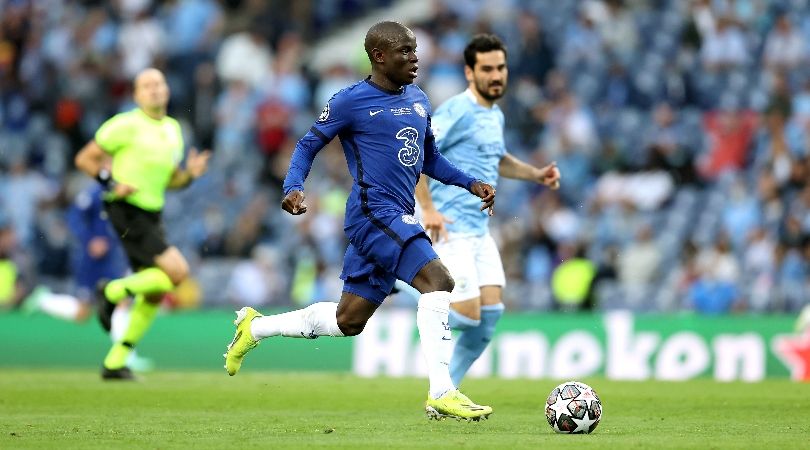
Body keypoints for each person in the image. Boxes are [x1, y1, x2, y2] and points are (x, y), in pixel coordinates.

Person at [224, 21, 496, 421]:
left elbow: (429, 158)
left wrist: (470, 182)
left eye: (415, 50)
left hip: (394, 214)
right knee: (439, 281)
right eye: (404, 51)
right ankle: (443, 390)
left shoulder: (419, 99)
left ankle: (255, 327)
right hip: (374, 213)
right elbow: (308, 143)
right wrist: (293, 185)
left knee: (348, 320)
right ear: (379, 57)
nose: (415, 58)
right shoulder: (351, 100)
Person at [414, 34, 560, 387]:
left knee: (490, 315)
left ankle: (445, 392)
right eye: (488, 69)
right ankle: (406, 283)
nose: (497, 76)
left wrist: (535, 175)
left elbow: (497, 159)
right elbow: (418, 154)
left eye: (501, 68)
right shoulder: (457, 110)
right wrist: (428, 208)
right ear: (469, 72)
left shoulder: (493, 115)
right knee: (468, 313)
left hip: (479, 229)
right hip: (447, 225)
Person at [75, 68, 211, 380]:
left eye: (158, 84)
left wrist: (190, 173)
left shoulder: (173, 129)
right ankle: (111, 291)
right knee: (177, 272)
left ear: (167, 90)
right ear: (136, 95)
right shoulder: (124, 125)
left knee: (154, 290)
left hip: (152, 213)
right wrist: (110, 183)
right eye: (145, 86)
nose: (153, 89)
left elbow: (171, 181)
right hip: (126, 208)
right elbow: (85, 159)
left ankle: (116, 361)